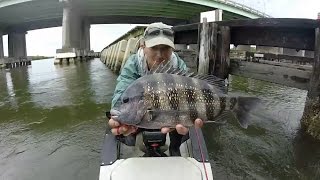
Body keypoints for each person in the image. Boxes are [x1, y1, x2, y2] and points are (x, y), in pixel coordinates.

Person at [107, 22, 203, 156]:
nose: (159, 55)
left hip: (173, 118)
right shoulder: (133, 64)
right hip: (143, 115)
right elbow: (121, 94)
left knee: (184, 129)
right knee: (125, 134)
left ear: (172, 49)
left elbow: (193, 94)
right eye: (154, 48)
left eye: (165, 48)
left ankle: (174, 148)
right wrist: (122, 118)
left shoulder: (178, 66)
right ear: (143, 46)